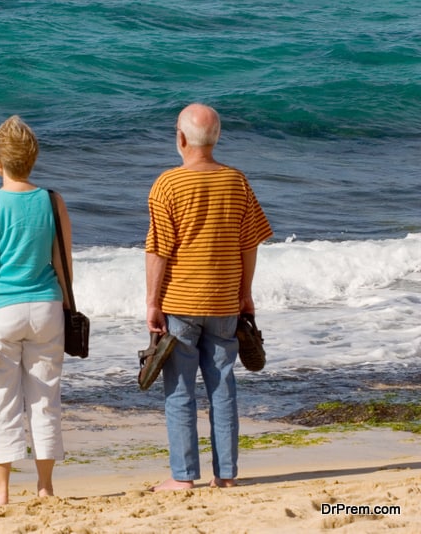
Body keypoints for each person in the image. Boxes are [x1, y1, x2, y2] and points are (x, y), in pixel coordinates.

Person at [145, 103, 273, 490]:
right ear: (216, 139)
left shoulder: (167, 184)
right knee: (223, 386)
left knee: (180, 390)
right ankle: (227, 475)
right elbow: (249, 243)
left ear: (181, 139)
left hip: (180, 303)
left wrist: (152, 302)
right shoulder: (237, 181)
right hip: (224, 302)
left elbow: (159, 250)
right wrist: (245, 293)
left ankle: (183, 477)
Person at [0, 115, 73, 505]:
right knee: (45, 398)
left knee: (2, 400)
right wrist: (69, 306)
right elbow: (63, 263)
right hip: (45, 307)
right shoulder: (52, 201)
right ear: (33, 159)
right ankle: (45, 488)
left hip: (0, 312)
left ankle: (1, 491)